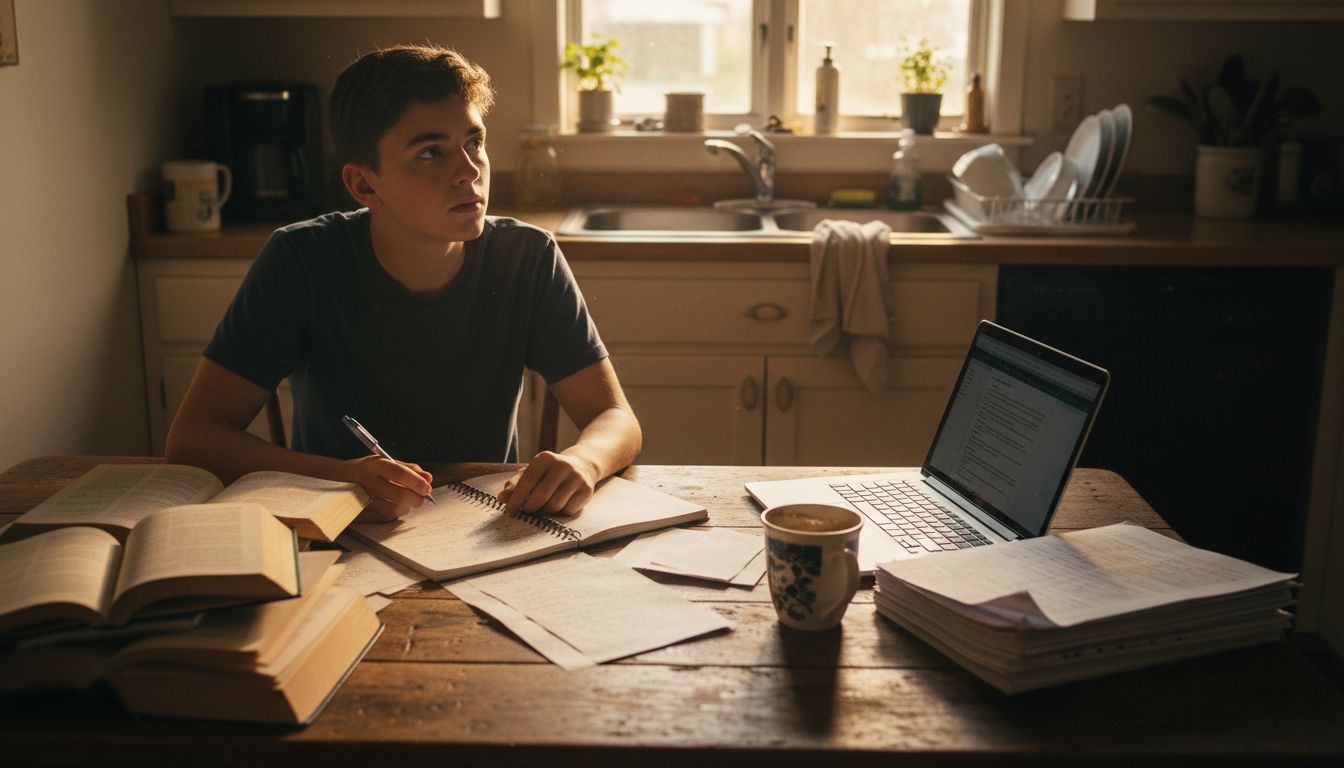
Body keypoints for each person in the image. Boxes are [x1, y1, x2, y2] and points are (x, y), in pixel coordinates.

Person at [166, 44, 642, 523]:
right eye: (430, 153)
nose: (470, 171)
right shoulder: (301, 260)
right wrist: (340, 477)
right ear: (364, 186)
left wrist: (583, 460)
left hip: (484, 527)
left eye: (474, 142)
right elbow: (194, 437)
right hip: (338, 528)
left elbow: (616, 419)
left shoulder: (526, 257)